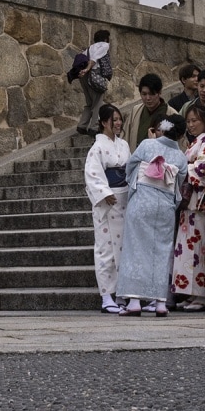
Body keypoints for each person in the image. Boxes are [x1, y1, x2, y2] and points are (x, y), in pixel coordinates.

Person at [114, 113, 187, 316]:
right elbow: (179, 183)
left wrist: (136, 181)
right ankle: (160, 302)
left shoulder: (147, 144)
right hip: (164, 207)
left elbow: (130, 167)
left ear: (163, 128)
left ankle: (134, 301)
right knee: (162, 251)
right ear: (181, 135)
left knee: (135, 248)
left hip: (142, 202)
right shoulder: (181, 157)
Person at [83, 104, 131, 314]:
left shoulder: (124, 145)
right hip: (108, 201)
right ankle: (106, 296)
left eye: (120, 119)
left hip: (124, 198)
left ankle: (121, 293)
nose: (118, 123)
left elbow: (129, 169)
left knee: (124, 249)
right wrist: (104, 192)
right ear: (104, 122)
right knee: (105, 249)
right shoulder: (97, 148)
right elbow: (92, 174)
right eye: (115, 119)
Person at [170, 102, 205, 310]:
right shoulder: (194, 143)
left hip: (199, 201)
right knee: (187, 248)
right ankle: (190, 292)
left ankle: (202, 294)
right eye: (188, 121)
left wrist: (181, 168)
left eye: (194, 120)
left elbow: (202, 168)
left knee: (199, 248)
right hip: (189, 203)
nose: (190, 125)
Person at [124, 72, 170, 148]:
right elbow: (125, 137)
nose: (148, 98)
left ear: (159, 93)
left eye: (151, 94)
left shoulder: (171, 113)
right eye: (144, 94)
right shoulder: (136, 111)